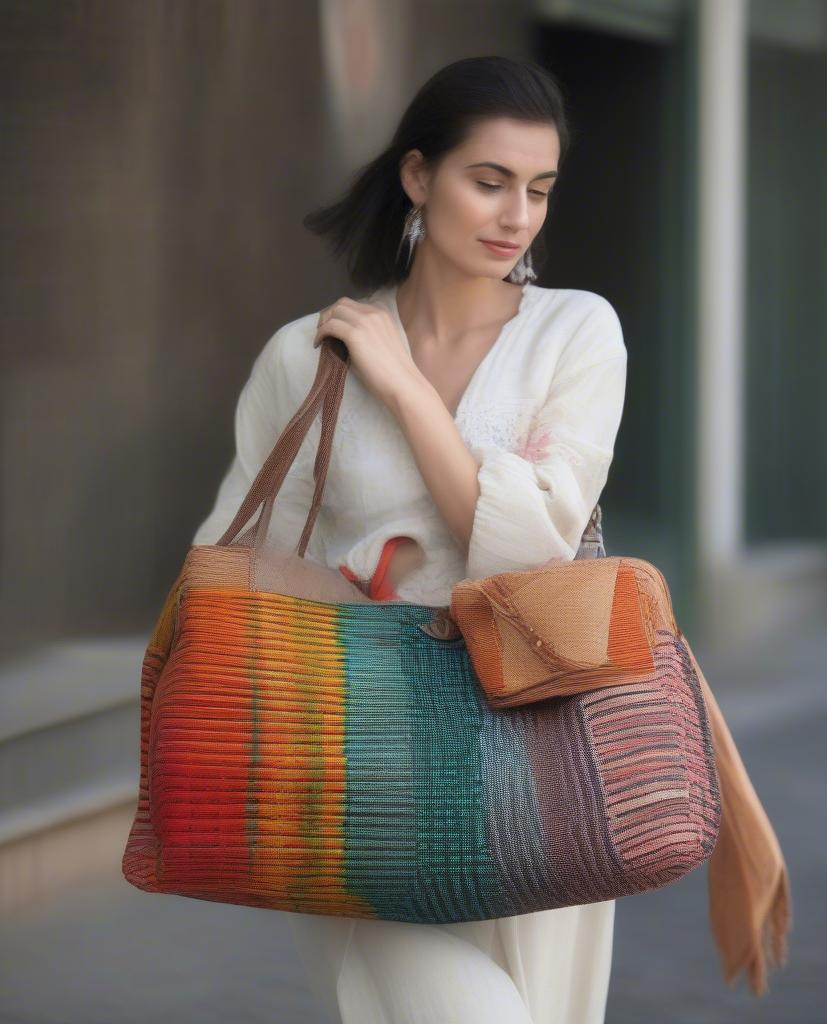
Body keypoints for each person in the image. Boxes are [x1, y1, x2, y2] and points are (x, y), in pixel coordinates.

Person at [191, 56, 628, 1023]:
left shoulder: (577, 334)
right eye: (490, 180)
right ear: (418, 177)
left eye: (540, 189)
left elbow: (528, 549)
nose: (518, 213)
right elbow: (230, 562)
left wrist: (401, 385)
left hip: (534, 745)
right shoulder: (306, 355)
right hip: (356, 753)